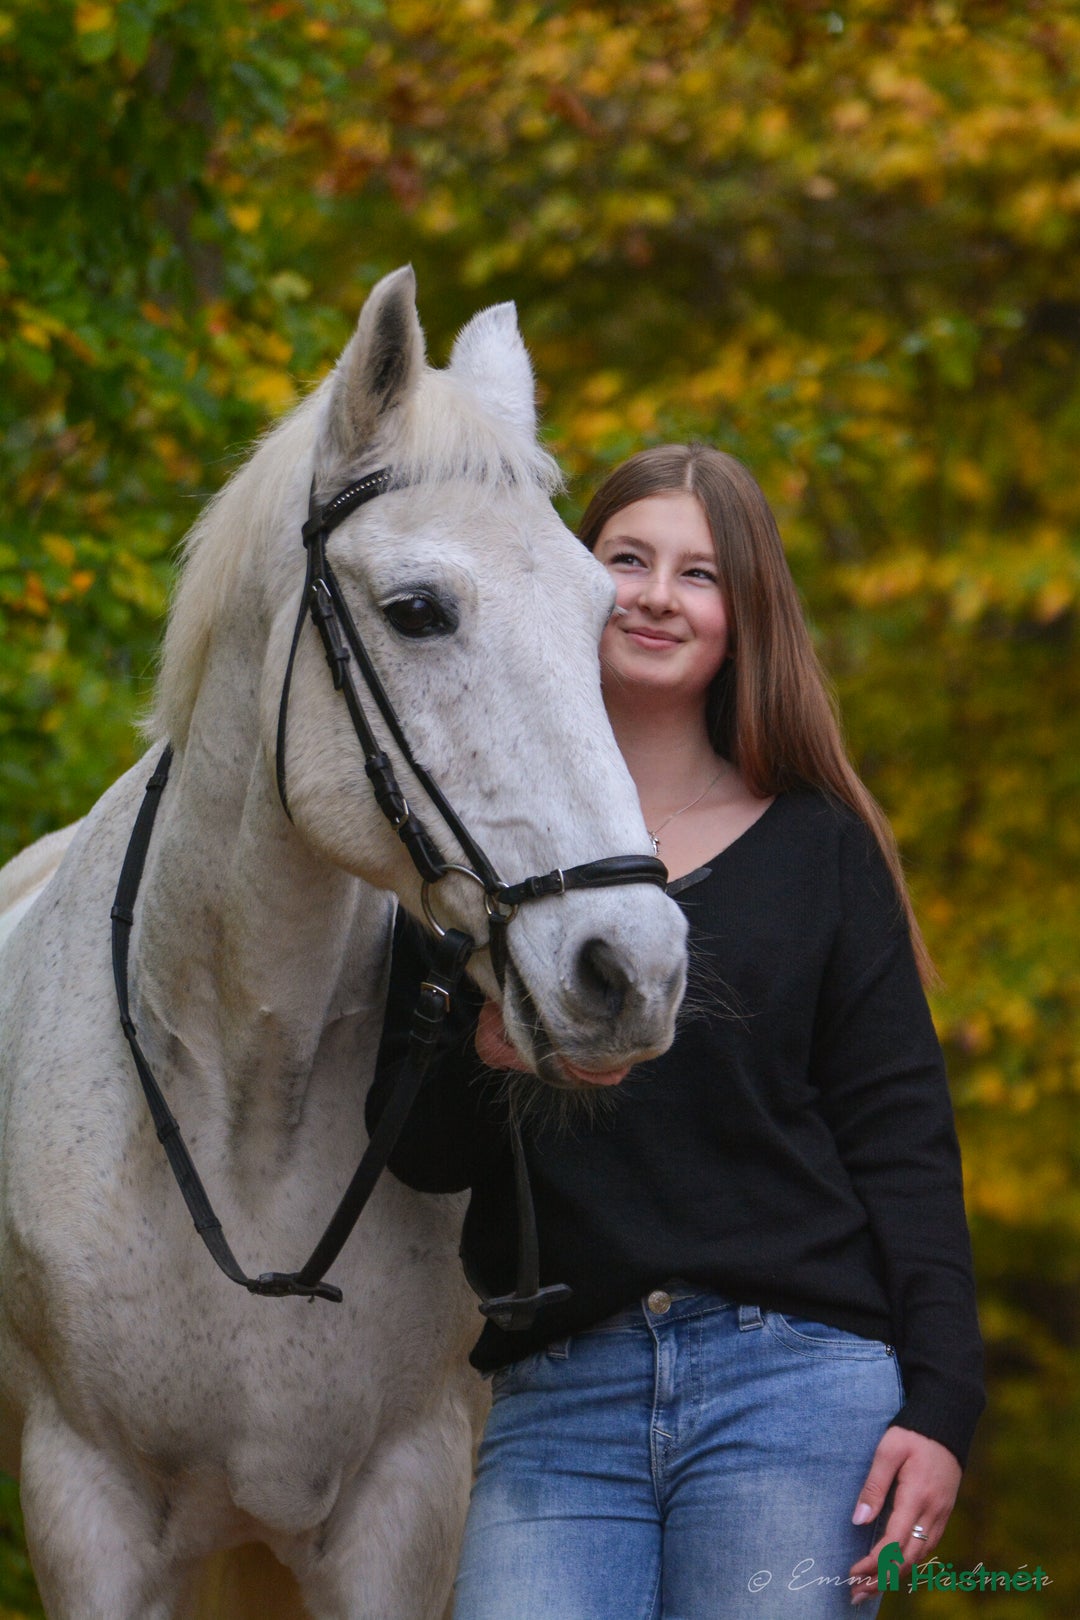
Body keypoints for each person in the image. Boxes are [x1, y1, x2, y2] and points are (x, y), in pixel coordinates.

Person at [366, 444, 984, 1619]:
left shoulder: (819, 848)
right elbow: (418, 1153)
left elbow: (901, 1138)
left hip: (797, 1384)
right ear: (573, 580)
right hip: (559, 1394)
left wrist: (942, 1407)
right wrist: (490, 1047)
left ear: (743, 617)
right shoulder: (468, 848)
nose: (657, 593)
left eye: (699, 574)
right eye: (628, 558)